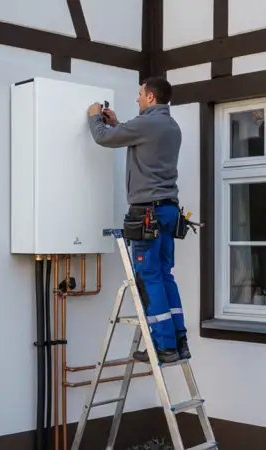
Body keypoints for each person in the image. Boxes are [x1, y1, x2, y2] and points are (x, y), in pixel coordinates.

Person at [86, 76, 187, 364]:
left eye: (140, 94)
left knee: (147, 277)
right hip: (168, 211)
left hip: (147, 213)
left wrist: (95, 117)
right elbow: (137, 139)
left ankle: (164, 347)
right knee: (165, 274)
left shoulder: (147, 124)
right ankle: (179, 342)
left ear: (151, 97)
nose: (137, 98)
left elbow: (103, 138)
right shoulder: (170, 126)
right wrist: (118, 124)